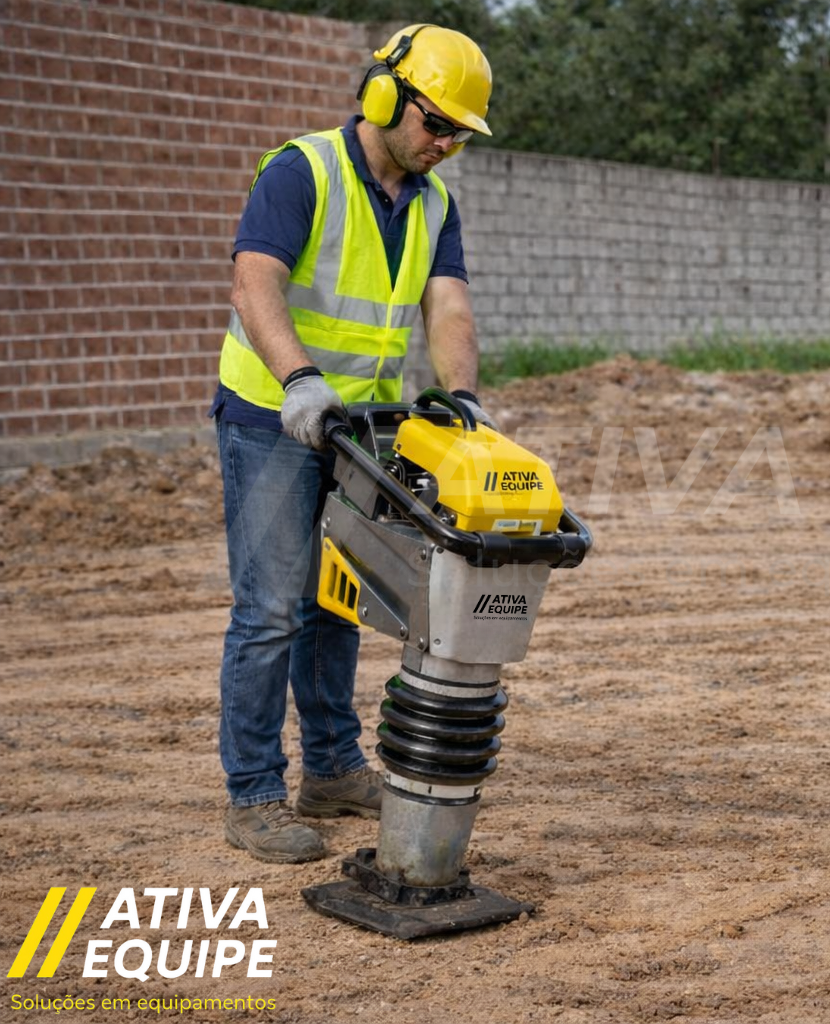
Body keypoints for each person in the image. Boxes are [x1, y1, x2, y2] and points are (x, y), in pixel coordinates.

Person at [211, 24, 499, 863]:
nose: (445, 145)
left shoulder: (434, 203)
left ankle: (332, 769)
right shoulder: (303, 170)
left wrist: (462, 399)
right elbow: (254, 282)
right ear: (383, 96)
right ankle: (254, 794)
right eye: (436, 124)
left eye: (459, 135)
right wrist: (300, 378)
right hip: (272, 413)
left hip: (359, 430)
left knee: (335, 605)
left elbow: (448, 307)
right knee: (269, 611)